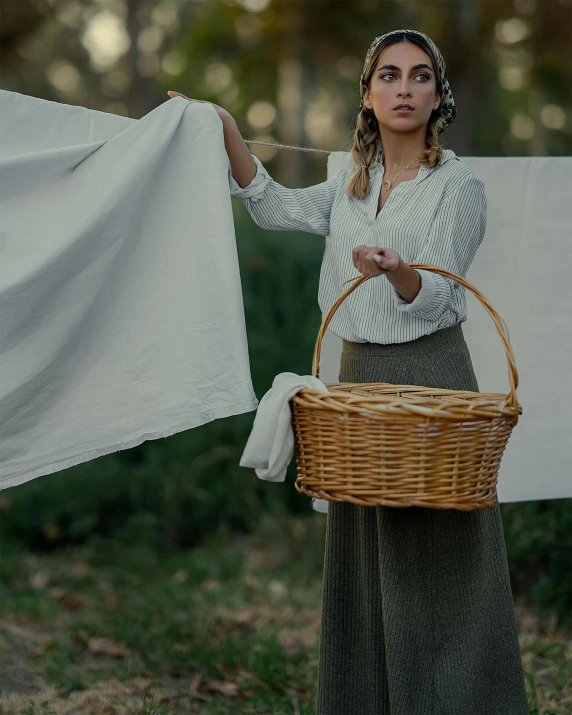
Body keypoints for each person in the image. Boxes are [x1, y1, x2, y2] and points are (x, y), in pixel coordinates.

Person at [168, 28, 530, 715]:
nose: (403, 88)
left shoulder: (458, 186)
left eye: (419, 76)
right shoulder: (348, 180)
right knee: (369, 554)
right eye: (388, 76)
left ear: (436, 95)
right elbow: (275, 207)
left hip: (431, 377)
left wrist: (397, 272)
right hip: (357, 379)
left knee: (438, 555)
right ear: (367, 94)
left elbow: (443, 297)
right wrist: (223, 127)